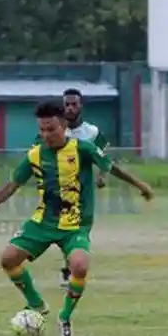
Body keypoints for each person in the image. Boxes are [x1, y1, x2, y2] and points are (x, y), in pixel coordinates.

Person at [0, 100, 154, 336]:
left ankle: (64, 318)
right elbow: (11, 185)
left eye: (51, 129)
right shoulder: (34, 154)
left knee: (79, 266)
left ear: (64, 125)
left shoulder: (83, 149)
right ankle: (37, 305)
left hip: (75, 223)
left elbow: (112, 167)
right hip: (43, 222)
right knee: (8, 260)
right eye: (42, 130)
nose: (46, 135)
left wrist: (140, 185)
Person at [58, 88, 110, 291]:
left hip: (84, 190)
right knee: (63, 229)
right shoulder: (57, 130)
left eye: (74, 104)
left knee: (79, 229)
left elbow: (103, 154)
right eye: (67, 104)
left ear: (81, 106)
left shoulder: (92, 132)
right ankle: (69, 267)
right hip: (60, 190)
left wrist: (102, 175)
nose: (70, 108)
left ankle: (70, 268)